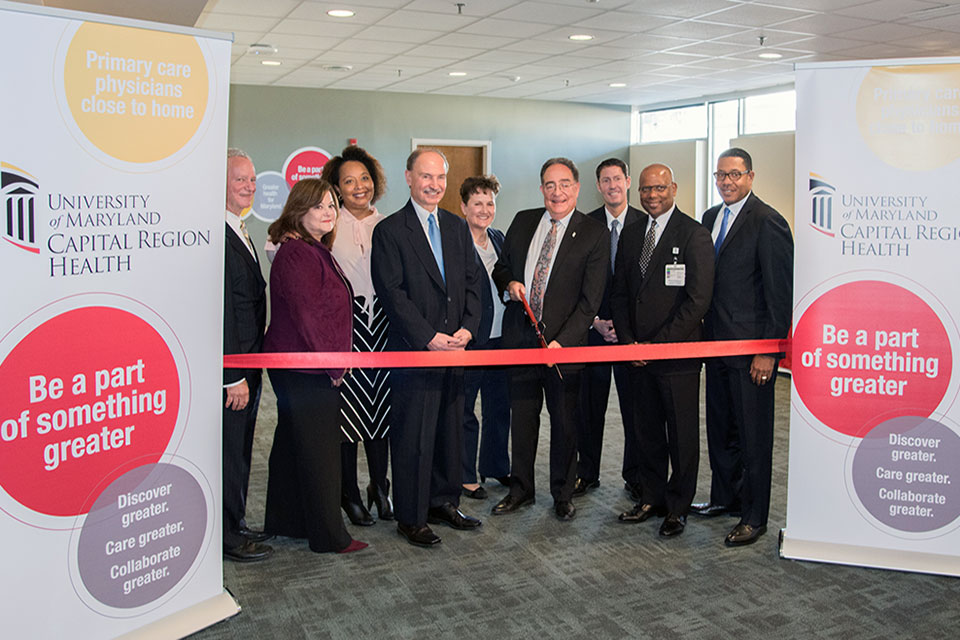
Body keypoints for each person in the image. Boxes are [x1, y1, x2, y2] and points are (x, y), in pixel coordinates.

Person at [370, 148, 484, 548]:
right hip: (414, 352)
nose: (434, 184)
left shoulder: (455, 227)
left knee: (449, 431)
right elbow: (392, 293)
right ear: (408, 177)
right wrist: (428, 337)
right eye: (425, 176)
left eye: (440, 178)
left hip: (454, 351)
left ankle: (443, 502)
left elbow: (473, 283)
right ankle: (412, 516)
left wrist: (468, 329)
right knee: (414, 437)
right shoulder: (390, 231)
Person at [491, 157, 608, 521]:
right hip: (520, 341)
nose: (556, 192)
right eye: (549, 185)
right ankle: (521, 490)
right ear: (541, 188)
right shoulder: (524, 221)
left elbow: (590, 301)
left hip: (564, 347)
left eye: (564, 184)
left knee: (565, 423)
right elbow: (502, 267)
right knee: (522, 420)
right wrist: (509, 285)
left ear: (576, 188)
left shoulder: (593, 232)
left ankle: (562, 493)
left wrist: (565, 342)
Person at [692, 147, 794, 547]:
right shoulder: (710, 218)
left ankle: (755, 515)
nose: (727, 182)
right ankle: (725, 498)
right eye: (721, 176)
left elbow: (778, 294)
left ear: (750, 176)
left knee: (754, 436)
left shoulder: (768, 222)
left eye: (735, 175)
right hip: (713, 346)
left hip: (753, 351)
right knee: (721, 429)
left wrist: (769, 349)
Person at [262, 178, 368, 554]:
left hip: (304, 364)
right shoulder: (297, 253)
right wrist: (332, 364)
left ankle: (287, 520)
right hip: (306, 367)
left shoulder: (310, 248)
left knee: (294, 444)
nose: (328, 212)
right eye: (319, 206)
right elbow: (308, 316)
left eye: (331, 206)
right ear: (299, 209)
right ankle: (329, 537)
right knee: (321, 451)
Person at [610, 164, 714, 538]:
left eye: (659, 188)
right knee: (646, 431)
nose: (652, 195)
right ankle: (651, 497)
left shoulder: (694, 234)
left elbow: (698, 300)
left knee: (681, 435)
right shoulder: (633, 232)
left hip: (677, 358)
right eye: (645, 189)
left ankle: (678, 507)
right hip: (635, 354)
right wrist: (628, 342)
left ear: (674, 187)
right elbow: (620, 291)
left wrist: (657, 345)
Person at [320, 146, 393, 526]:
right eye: (348, 181)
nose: (358, 186)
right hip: (346, 328)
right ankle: (349, 492)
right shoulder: (327, 224)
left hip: (383, 325)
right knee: (348, 415)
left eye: (364, 178)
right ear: (335, 187)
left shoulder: (389, 224)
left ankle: (380, 487)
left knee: (381, 411)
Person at [576, 158, 645, 501]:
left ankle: (635, 475)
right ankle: (586, 473)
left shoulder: (646, 223)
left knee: (635, 409)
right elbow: (574, 284)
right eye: (605, 180)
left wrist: (626, 326)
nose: (612, 185)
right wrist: (595, 322)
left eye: (618, 178)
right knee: (589, 408)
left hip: (632, 335)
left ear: (628, 182)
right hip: (593, 332)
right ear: (598, 186)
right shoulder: (585, 225)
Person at [222, 148, 273, 562]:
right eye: (240, 179)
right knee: (228, 451)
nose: (249, 186)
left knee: (240, 450)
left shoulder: (239, 228)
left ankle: (236, 520)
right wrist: (233, 374)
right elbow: (221, 308)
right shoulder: (214, 234)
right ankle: (227, 535)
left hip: (251, 364)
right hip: (235, 371)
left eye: (252, 179)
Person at [459, 175, 510, 500]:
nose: (484, 209)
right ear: (463, 207)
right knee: (464, 409)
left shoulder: (499, 238)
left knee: (499, 406)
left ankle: (495, 465)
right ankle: (465, 475)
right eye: (477, 203)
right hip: (471, 339)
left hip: (502, 339)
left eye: (489, 202)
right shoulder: (455, 241)